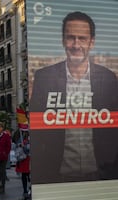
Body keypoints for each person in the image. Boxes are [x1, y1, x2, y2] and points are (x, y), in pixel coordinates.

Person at [30, 11, 118, 184]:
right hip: (56, 177)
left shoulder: (108, 78)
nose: (76, 45)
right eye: (70, 38)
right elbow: (37, 129)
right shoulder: (44, 78)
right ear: (63, 41)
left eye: (82, 38)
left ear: (92, 42)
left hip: (101, 176)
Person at [15, 130, 31, 196]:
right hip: (24, 160)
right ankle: (25, 190)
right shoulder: (20, 139)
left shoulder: (28, 139)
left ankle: (27, 189)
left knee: (26, 175)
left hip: (28, 159)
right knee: (25, 175)